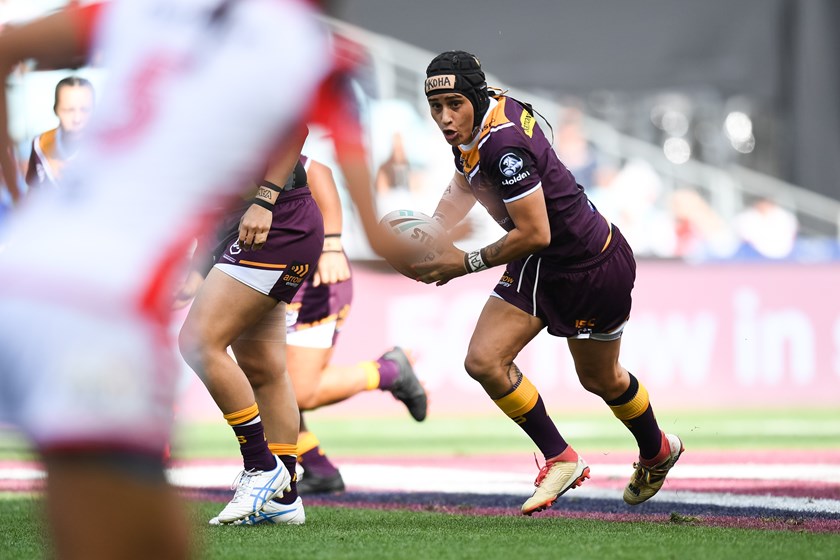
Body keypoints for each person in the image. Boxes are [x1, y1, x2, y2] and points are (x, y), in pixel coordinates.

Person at [0, 1, 389, 557]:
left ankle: (268, 475)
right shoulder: (285, 39)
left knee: (205, 345)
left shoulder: (154, 16)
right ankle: (277, 483)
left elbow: (299, 143)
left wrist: (16, 206)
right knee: (254, 363)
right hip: (97, 301)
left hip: (92, 282)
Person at [412, 51, 683, 515]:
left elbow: (537, 231)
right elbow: (464, 178)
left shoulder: (503, 145)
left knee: (600, 378)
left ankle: (658, 450)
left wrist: (462, 262)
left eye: (453, 104)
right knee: (483, 360)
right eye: (436, 107)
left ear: (476, 97)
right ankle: (560, 458)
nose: (444, 118)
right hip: (544, 261)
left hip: (590, 265)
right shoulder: (481, 114)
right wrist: (436, 227)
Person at [177, 155, 426, 503]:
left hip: (315, 278)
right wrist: (197, 270)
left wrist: (335, 242)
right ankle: (307, 474)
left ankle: (387, 372)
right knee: (261, 374)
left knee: (296, 388)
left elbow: (314, 169)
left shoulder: (244, 131)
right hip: (259, 254)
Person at [25, 76, 95, 191]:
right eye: (69, 110)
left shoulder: (109, 149)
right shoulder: (40, 144)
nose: (77, 119)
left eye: (85, 110)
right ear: (55, 109)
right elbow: (32, 195)